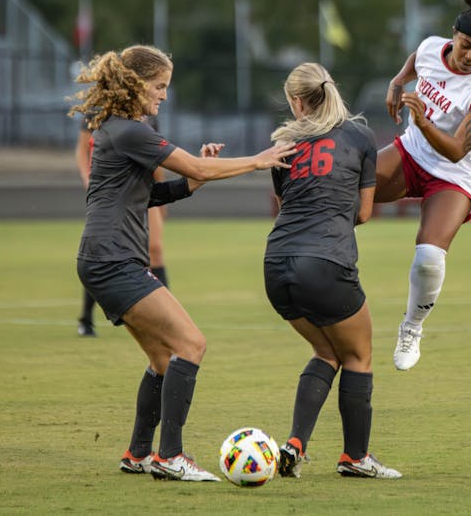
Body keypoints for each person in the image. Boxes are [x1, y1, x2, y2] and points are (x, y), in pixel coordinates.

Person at [69, 44, 295, 482]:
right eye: (159, 86)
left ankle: (138, 453)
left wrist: (191, 183)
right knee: (191, 345)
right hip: (114, 260)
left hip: (103, 259)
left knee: (161, 358)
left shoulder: (120, 129)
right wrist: (258, 161)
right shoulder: (131, 131)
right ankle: (170, 456)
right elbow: (197, 166)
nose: (164, 96)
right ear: (135, 84)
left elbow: (150, 194)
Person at [375, 0, 471, 371]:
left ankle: (412, 326)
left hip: (454, 177)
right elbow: (415, 62)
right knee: (348, 184)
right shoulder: (429, 48)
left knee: (427, 256)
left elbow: (457, 151)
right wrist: (395, 82)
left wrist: (422, 121)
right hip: (412, 153)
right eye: (466, 45)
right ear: (453, 35)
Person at [264, 62, 401, 480]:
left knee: (326, 352)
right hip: (326, 263)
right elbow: (363, 212)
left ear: (296, 101)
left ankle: (295, 445)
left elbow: (288, 205)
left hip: (275, 264)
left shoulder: (285, 141)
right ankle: (355, 458)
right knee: (358, 354)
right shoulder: (359, 134)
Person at [74, 117, 172, 337]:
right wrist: (88, 179)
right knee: (103, 253)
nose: (161, 94)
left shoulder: (150, 112)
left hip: (144, 188)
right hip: (115, 194)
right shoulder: (98, 109)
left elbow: (156, 158)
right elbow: (82, 149)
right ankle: (86, 318)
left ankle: (166, 318)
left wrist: (164, 196)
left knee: (155, 249)